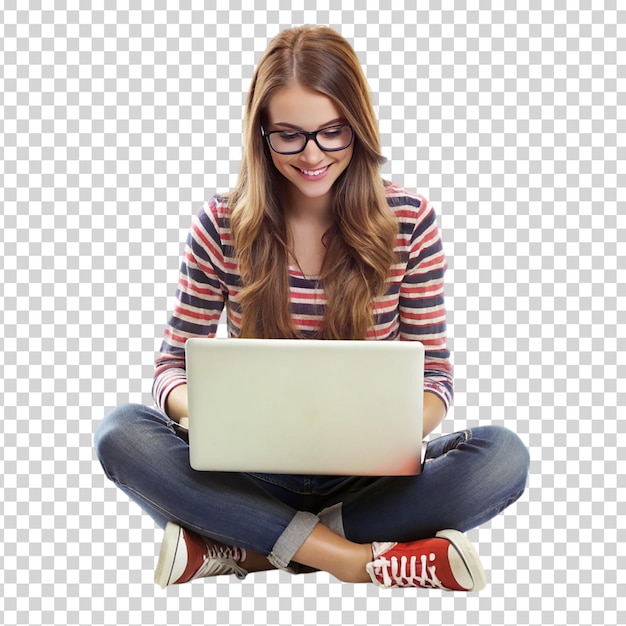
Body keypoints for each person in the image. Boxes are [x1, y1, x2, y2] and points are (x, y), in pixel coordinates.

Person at [94, 25, 529, 591]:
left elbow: (436, 376)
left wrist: (391, 431)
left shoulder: (409, 219)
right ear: (262, 135)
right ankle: (352, 558)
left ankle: (245, 547)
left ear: (358, 126)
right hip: (248, 474)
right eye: (290, 137)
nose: (313, 155)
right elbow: (169, 369)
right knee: (120, 433)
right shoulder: (221, 225)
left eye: (332, 132)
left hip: (365, 478)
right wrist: (205, 413)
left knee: (501, 458)